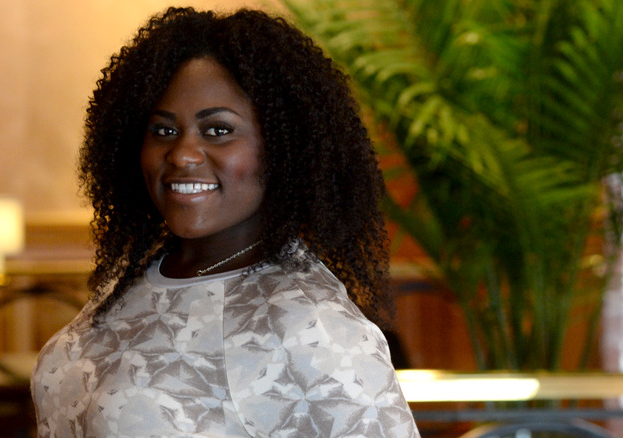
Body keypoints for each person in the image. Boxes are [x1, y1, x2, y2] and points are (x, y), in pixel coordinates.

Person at [32, 6, 420, 437]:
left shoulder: (312, 324)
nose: (181, 153)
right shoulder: (138, 275)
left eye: (217, 130)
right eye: (162, 131)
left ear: (283, 148)